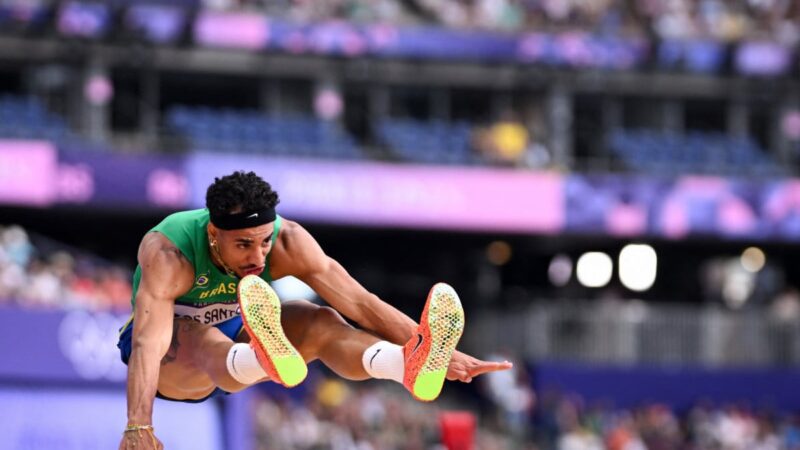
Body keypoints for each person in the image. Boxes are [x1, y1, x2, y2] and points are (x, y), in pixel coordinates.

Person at [117, 171, 512, 449]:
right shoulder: (170, 252)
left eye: (263, 242)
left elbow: (360, 302)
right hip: (175, 363)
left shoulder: (288, 240)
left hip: (239, 336)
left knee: (320, 320)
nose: (258, 257)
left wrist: (432, 349)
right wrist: (138, 423)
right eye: (243, 246)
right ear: (213, 235)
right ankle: (261, 356)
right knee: (200, 336)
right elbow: (149, 342)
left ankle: (403, 364)